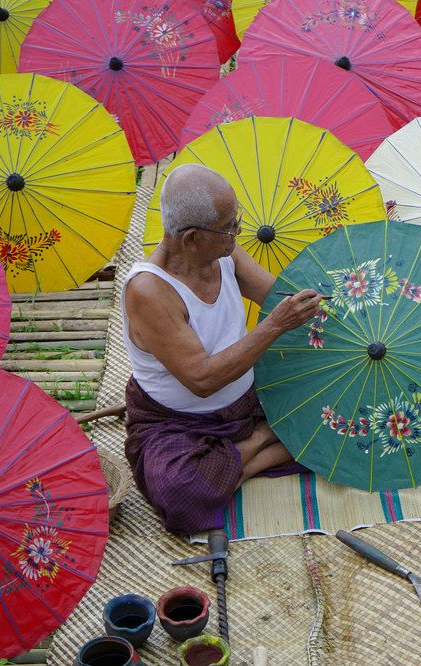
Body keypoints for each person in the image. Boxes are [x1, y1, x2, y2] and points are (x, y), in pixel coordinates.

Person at [121, 164, 322, 534]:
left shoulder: (224, 252)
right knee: (179, 493)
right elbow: (202, 379)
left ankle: (236, 462)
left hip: (247, 399)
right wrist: (275, 324)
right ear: (191, 239)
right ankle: (266, 438)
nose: (238, 232)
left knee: (342, 406)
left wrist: (320, 304)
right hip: (179, 422)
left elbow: (276, 295)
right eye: (230, 226)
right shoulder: (149, 290)